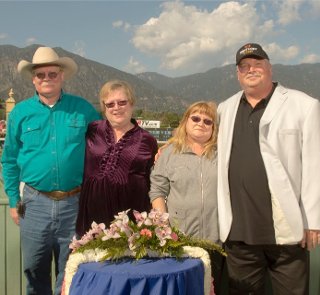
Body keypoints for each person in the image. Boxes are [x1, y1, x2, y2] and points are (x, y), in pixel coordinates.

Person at [217, 43, 320, 294]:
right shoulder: (224, 109)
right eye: (244, 66)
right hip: (239, 232)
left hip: (289, 232)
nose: (251, 69)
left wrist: (312, 221)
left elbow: (316, 167)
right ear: (237, 74)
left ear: (270, 68)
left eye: (258, 64)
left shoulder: (304, 105)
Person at [1, 46, 101, 295]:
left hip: (75, 204)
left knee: (71, 271)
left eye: (52, 74)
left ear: (62, 76)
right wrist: (14, 200)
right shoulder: (20, 113)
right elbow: (9, 160)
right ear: (33, 78)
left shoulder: (83, 109)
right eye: (41, 75)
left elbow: (108, 140)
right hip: (34, 204)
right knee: (35, 270)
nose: (47, 79)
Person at [149, 101, 225, 295]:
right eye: (196, 118)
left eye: (208, 121)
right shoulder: (168, 153)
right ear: (185, 121)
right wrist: (163, 227)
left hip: (216, 240)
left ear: (214, 128)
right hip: (180, 239)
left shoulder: (223, 153)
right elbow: (157, 190)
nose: (201, 123)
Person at [75, 80, 158, 237]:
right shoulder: (92, 130)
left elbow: (154, 180)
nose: (116, 108)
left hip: (130, 222)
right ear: (104, 108)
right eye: (110, 104)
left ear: (131, 104)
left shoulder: (147, 140)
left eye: (122, 102)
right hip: (92, 219)